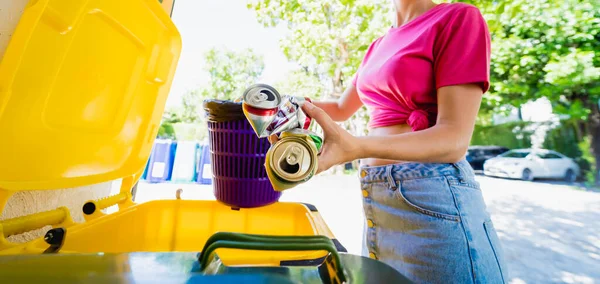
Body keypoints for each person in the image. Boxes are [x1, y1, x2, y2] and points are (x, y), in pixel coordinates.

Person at [270, 1, 508, 283]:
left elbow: (453, 139)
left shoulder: (458, 18)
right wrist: (281, 106)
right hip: (376, 196)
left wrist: (359, 147)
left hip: (434, 201)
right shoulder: (378, 45)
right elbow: (341, 107)